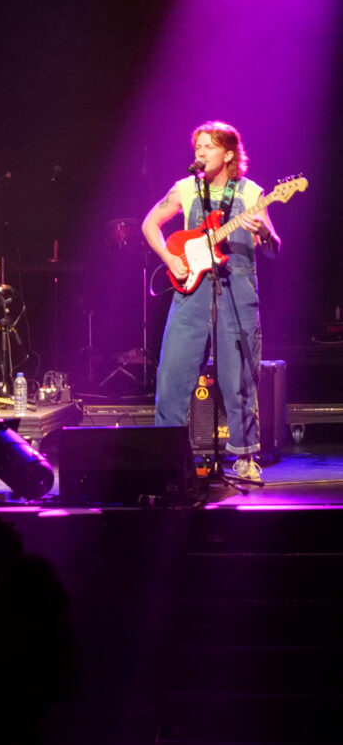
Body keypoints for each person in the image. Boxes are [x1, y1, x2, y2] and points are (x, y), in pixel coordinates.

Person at [141, 121, 280, 481]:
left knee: (239, 382)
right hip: (191, 296)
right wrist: (170, 259)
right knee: (172, 378)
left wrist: (264, 232)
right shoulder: (186, 188)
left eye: (208, 147)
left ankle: (246, 458)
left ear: (229, 154)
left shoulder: (251, 193)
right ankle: (165, 460)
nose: (200, 153)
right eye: (197, 147)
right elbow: (149, 223)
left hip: (238, 295)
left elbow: (274, 249)